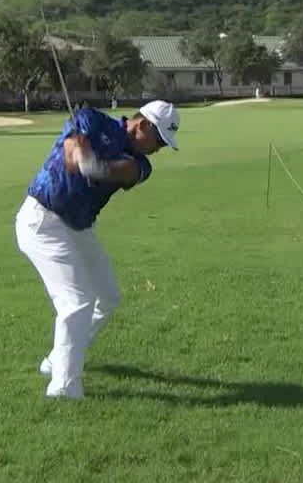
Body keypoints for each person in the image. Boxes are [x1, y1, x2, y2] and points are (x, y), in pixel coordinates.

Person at [15, 99, 181, 400]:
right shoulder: (91, 119)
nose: (159, 149)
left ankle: (57, 359)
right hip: (43, 220)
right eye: (158, 140)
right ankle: (64, 387)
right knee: (76, 300)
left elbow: (120, 171)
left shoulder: (142, 165)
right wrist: (80, 153)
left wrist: (94, 166)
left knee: (107, 297)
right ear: (142, 124)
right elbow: (69, 155)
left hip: (78, 227)